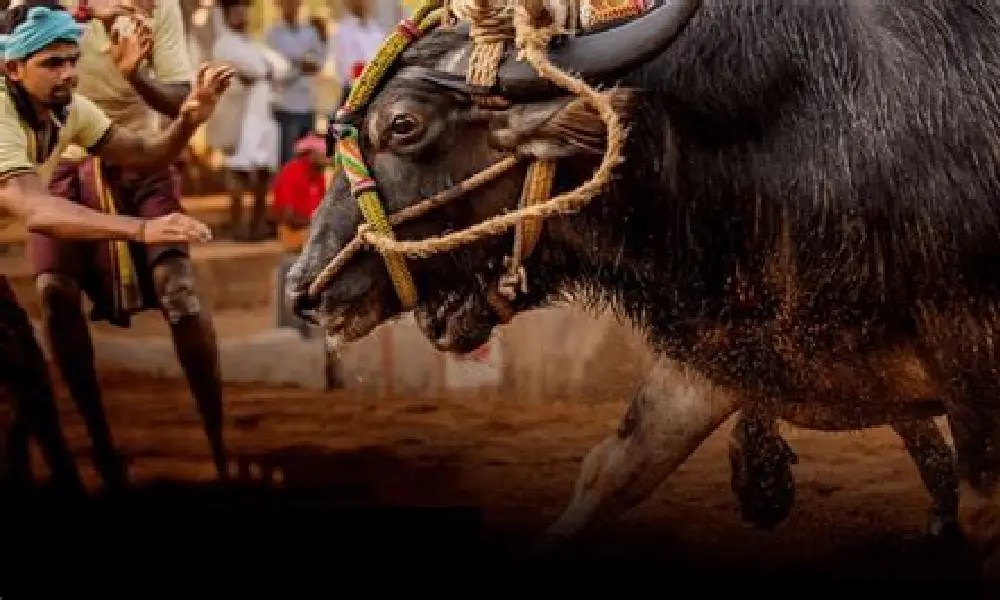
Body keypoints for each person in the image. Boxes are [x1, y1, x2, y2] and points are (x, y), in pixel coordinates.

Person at [0, 2, 231, 494]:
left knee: (30, 381)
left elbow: (145, 152)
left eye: (72, 60)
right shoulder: (1, 111)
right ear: (13, 68)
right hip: (56, 190)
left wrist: (189, 121)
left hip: (115, 170)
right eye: (52, 63)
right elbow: (37, 210)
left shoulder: (70, 108)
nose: (69, 74)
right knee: (37, 340)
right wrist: (142, 231)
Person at [211, 0, 286, 241]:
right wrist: (267, 67)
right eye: (235, 11)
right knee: (238, 172)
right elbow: (259, 68)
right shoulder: (225, 44)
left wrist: (268, 67)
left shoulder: (252, 42)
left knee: (264, 173)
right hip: (242, 119)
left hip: (263, 116)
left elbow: (280, 67)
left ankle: (257, 226)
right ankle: (237, 228)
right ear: (226, 15)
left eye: (244, 9)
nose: (241, 14)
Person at [270, 131, 325, 338]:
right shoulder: (291, 172)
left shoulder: (318, 176)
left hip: (311, 233)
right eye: (323, 153)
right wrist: (317, 222)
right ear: (310, 154)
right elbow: (287, 216)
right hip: (293, 234)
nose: (328, 157)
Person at [264, 0, 325, 165]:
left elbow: (318, 63)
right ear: (278, 4)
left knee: (308, 161)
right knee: (288, 161)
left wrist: (296, 63)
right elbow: (275, 71)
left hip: (307, 105)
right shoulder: (272, 34)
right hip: (285, 106)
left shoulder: (310, 32)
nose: (291, 5)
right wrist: (300, 66)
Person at [329, 0, 384, 103]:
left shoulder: (377, 30)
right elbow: (345, 69)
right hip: (353, 94)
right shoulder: (341, 31)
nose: (362, 3)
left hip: (377, 91)